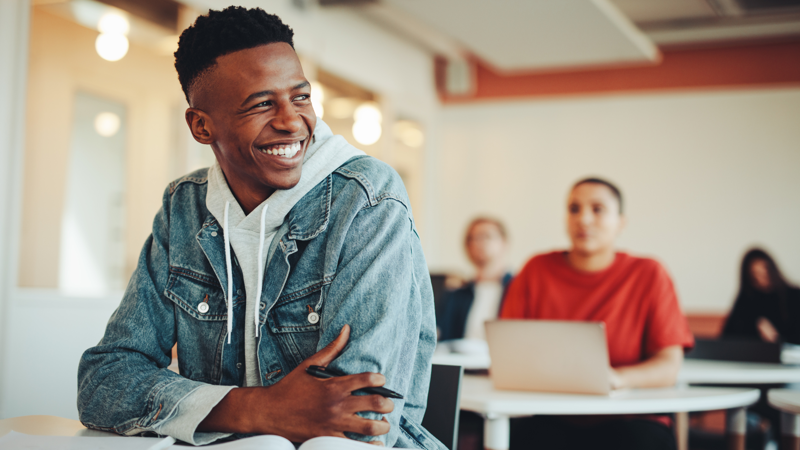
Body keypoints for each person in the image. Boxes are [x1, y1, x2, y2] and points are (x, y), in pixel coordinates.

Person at [77, 7, 442, 449]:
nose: (291, 121)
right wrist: (258, 408)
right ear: (201, 126)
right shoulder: (184, 207)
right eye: (262, 104)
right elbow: (103, 382)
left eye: (301, 97)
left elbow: (357, 418)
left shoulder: (366, 198)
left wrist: (210, 409)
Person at [500, 177, 694, 450]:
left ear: (621, 222)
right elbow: (508, 351)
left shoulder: (650, 274)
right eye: (574, 209)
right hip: (552, 415)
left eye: (598, 209)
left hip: (631, 417)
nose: (584, 219)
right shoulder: (536, 270)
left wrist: (618, 378)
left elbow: (669, 366)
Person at [438, 217, 513, 342]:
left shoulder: (519, 289)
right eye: (471, 238)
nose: (477, 243)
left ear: (504, 243)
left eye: (486, 236)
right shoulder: (457, 294)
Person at [722, 248, 800, 345]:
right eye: (756, 275)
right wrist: (754, 328)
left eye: (764, 273)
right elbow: (727, 339)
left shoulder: (794, 296)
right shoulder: (745, 301)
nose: (762, 279)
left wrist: (776, 338)